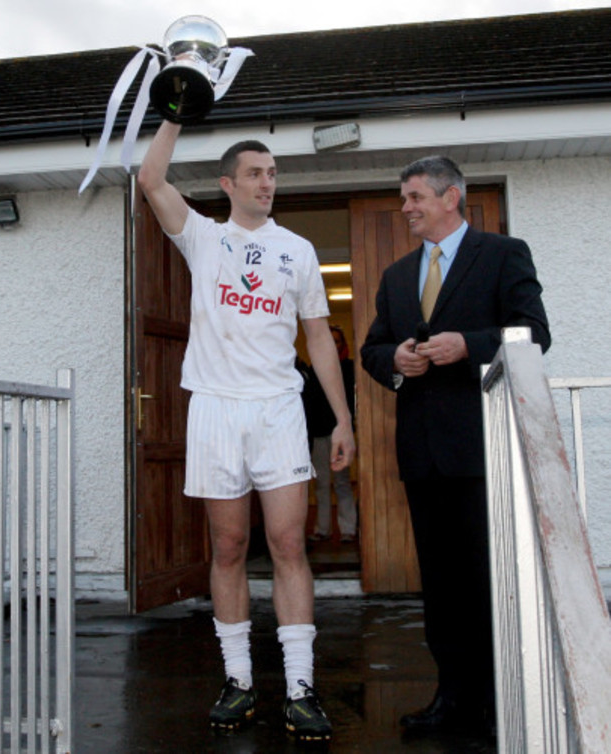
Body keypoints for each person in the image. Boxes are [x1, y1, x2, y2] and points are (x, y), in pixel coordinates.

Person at [138, 121, 355, 743]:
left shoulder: (299, 249)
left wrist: (342, 418)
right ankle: (237, 681)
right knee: (229, 547)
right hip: (214, 408)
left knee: (289, 544)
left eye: (273, 174)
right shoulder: (203, 237)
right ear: (228, 183)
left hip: (279, 410)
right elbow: (150, 179)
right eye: (256, 174)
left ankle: (300, 687)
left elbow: (317, 335)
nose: (268, 183)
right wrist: (177, 109)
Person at [360, 156, 550, 737]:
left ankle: (499, 705)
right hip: (422, 456)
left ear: (451, 197)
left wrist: (468, 345)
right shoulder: (395, 277)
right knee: (440, 586)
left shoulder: (502, 254)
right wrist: (394, 358)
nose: (407, 208)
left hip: (483, 451)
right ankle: (453, 699)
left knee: (486, 580)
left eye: (416, 197)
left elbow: (534, 333)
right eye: (404, 198)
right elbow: (372, 349)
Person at [306, 325, 357, 543]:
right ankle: (322, 529)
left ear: (342, 344)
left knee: (342, 482)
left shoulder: (350, 369)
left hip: (340, 433)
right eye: (330, 340)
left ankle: (348, 529)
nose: (333, 345)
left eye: (337, 341)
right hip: (319, 434)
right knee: (321, 484)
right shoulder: (312, 370)